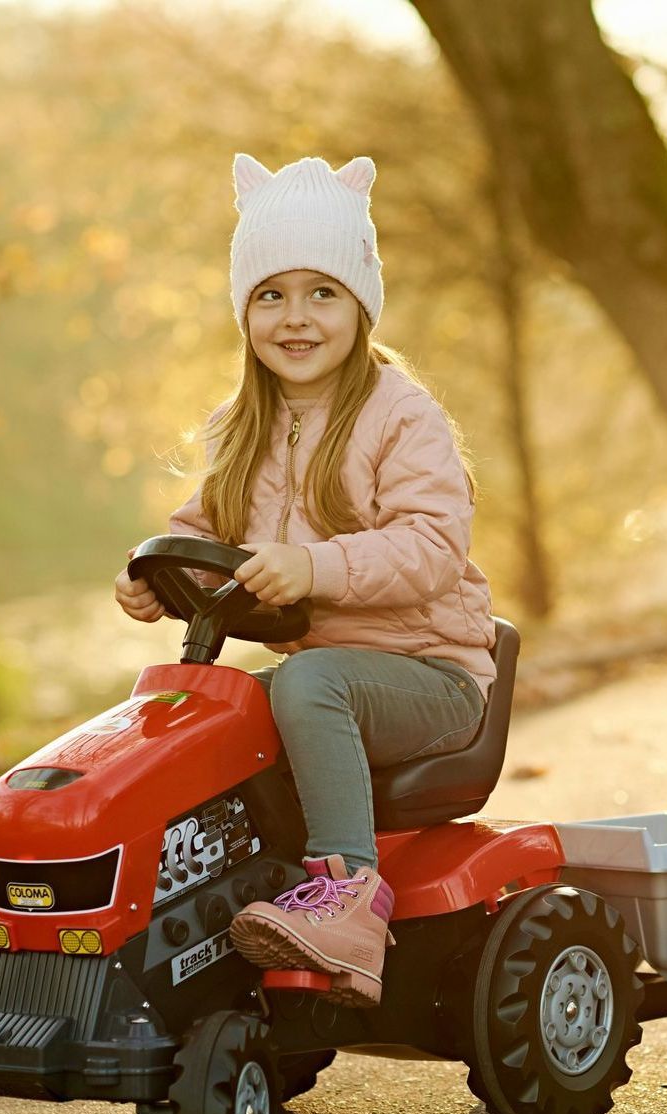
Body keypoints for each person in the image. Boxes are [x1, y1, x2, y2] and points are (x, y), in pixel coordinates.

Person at [112, 154, 495, 1007]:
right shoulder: (240, 424)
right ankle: (174, 919)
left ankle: (348, 895)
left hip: (429, 674)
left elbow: (431, 545)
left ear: (360, 304)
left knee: (309, 681)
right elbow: (199, 529)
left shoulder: (401, 413)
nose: (295, 317)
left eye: (321, 293)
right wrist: (152, 576)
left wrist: (312, 566)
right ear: (243, 309)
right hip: (319, 680)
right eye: (270, 294)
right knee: (209, 715)